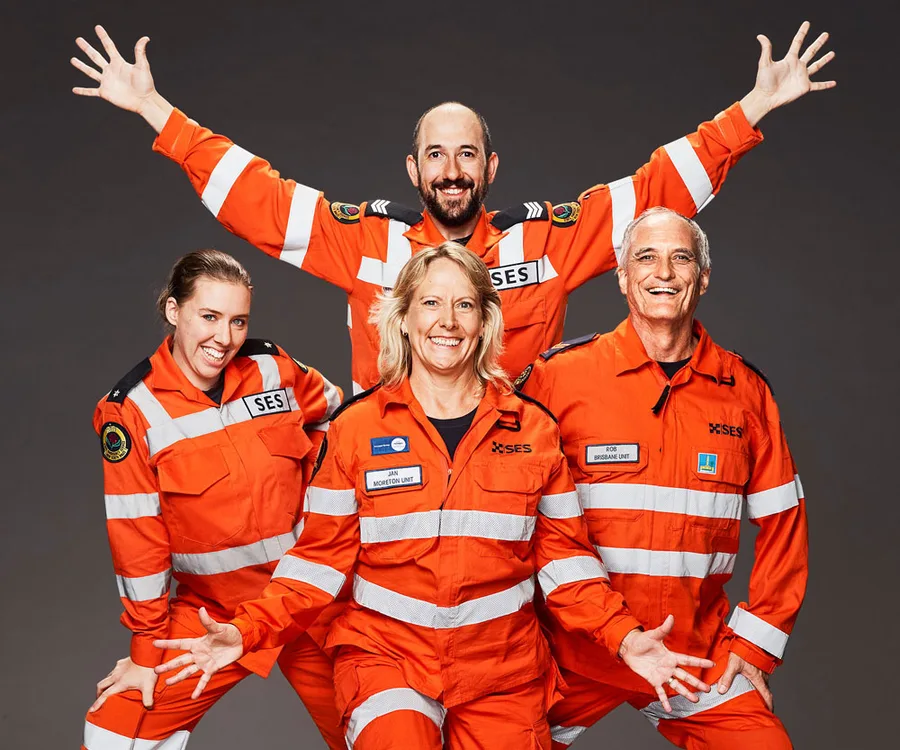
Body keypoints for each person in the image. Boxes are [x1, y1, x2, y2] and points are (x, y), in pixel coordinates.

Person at [149, 243, 716, 749]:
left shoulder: (534, 429)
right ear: (402, 319)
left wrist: (625, 639)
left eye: (464, 305)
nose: (447, 321)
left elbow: (567, 566)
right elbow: (318, 563)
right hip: (386, 663)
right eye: (430, 304)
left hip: (503, 672)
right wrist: (247, 631)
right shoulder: (356, 428)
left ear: (486, 322)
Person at [70, 23, 835, 393]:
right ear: (412, 169)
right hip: (391, 488)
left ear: (491, 167)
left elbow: (653, 195)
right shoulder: (366, 242)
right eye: (435, 155)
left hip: (516, 493)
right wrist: (155, 112)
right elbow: (260, 201)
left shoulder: (551, 244)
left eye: (467, 154)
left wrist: (755, 105)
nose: (452, 170)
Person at [517, 208, 807, 748]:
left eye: (681, 258)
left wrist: (753, 648)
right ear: (623, 275)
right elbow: (506, 516)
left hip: (693, 654)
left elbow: (785, 527)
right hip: (567, 654)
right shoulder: (557, 378)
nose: (664, 273)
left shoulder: (744, 392)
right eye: (646, 257)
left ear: (702, 276)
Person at [83, 249, 345, 749]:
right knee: (116, 731)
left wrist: (326, 508)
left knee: (379, 731)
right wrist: (144, 652)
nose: (224, 338)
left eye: (238, 321)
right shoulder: (131, 411)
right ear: (173, 310)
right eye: (209, 316)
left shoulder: (273, 367)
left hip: (310, 602)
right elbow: (137, 539)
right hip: (213, 613)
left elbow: (345, 425)